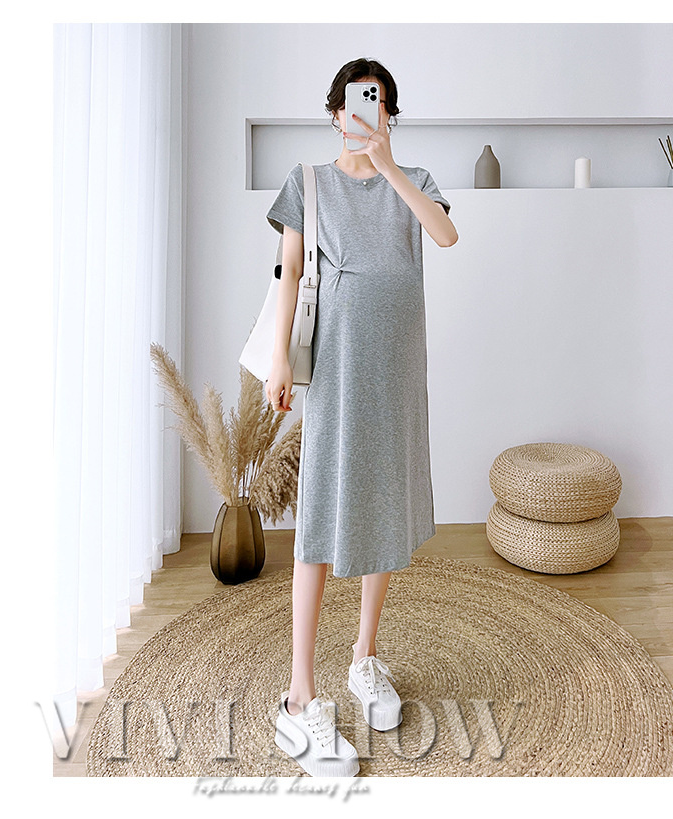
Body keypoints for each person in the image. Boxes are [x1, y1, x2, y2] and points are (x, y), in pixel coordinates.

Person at [264, 58, 458, 777]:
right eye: (353, 104)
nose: (363, 115)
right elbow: (289, 271)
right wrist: (279, 360)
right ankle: (298, 695)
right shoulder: (308, 183)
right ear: (334, 112)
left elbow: (445, 236)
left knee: (383, 504)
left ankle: (363, 656)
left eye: (376, 106)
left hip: (396, 373)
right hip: (336, 372)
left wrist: (389, 166)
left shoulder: (415, 181)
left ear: (389, 116)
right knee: (320, 516)